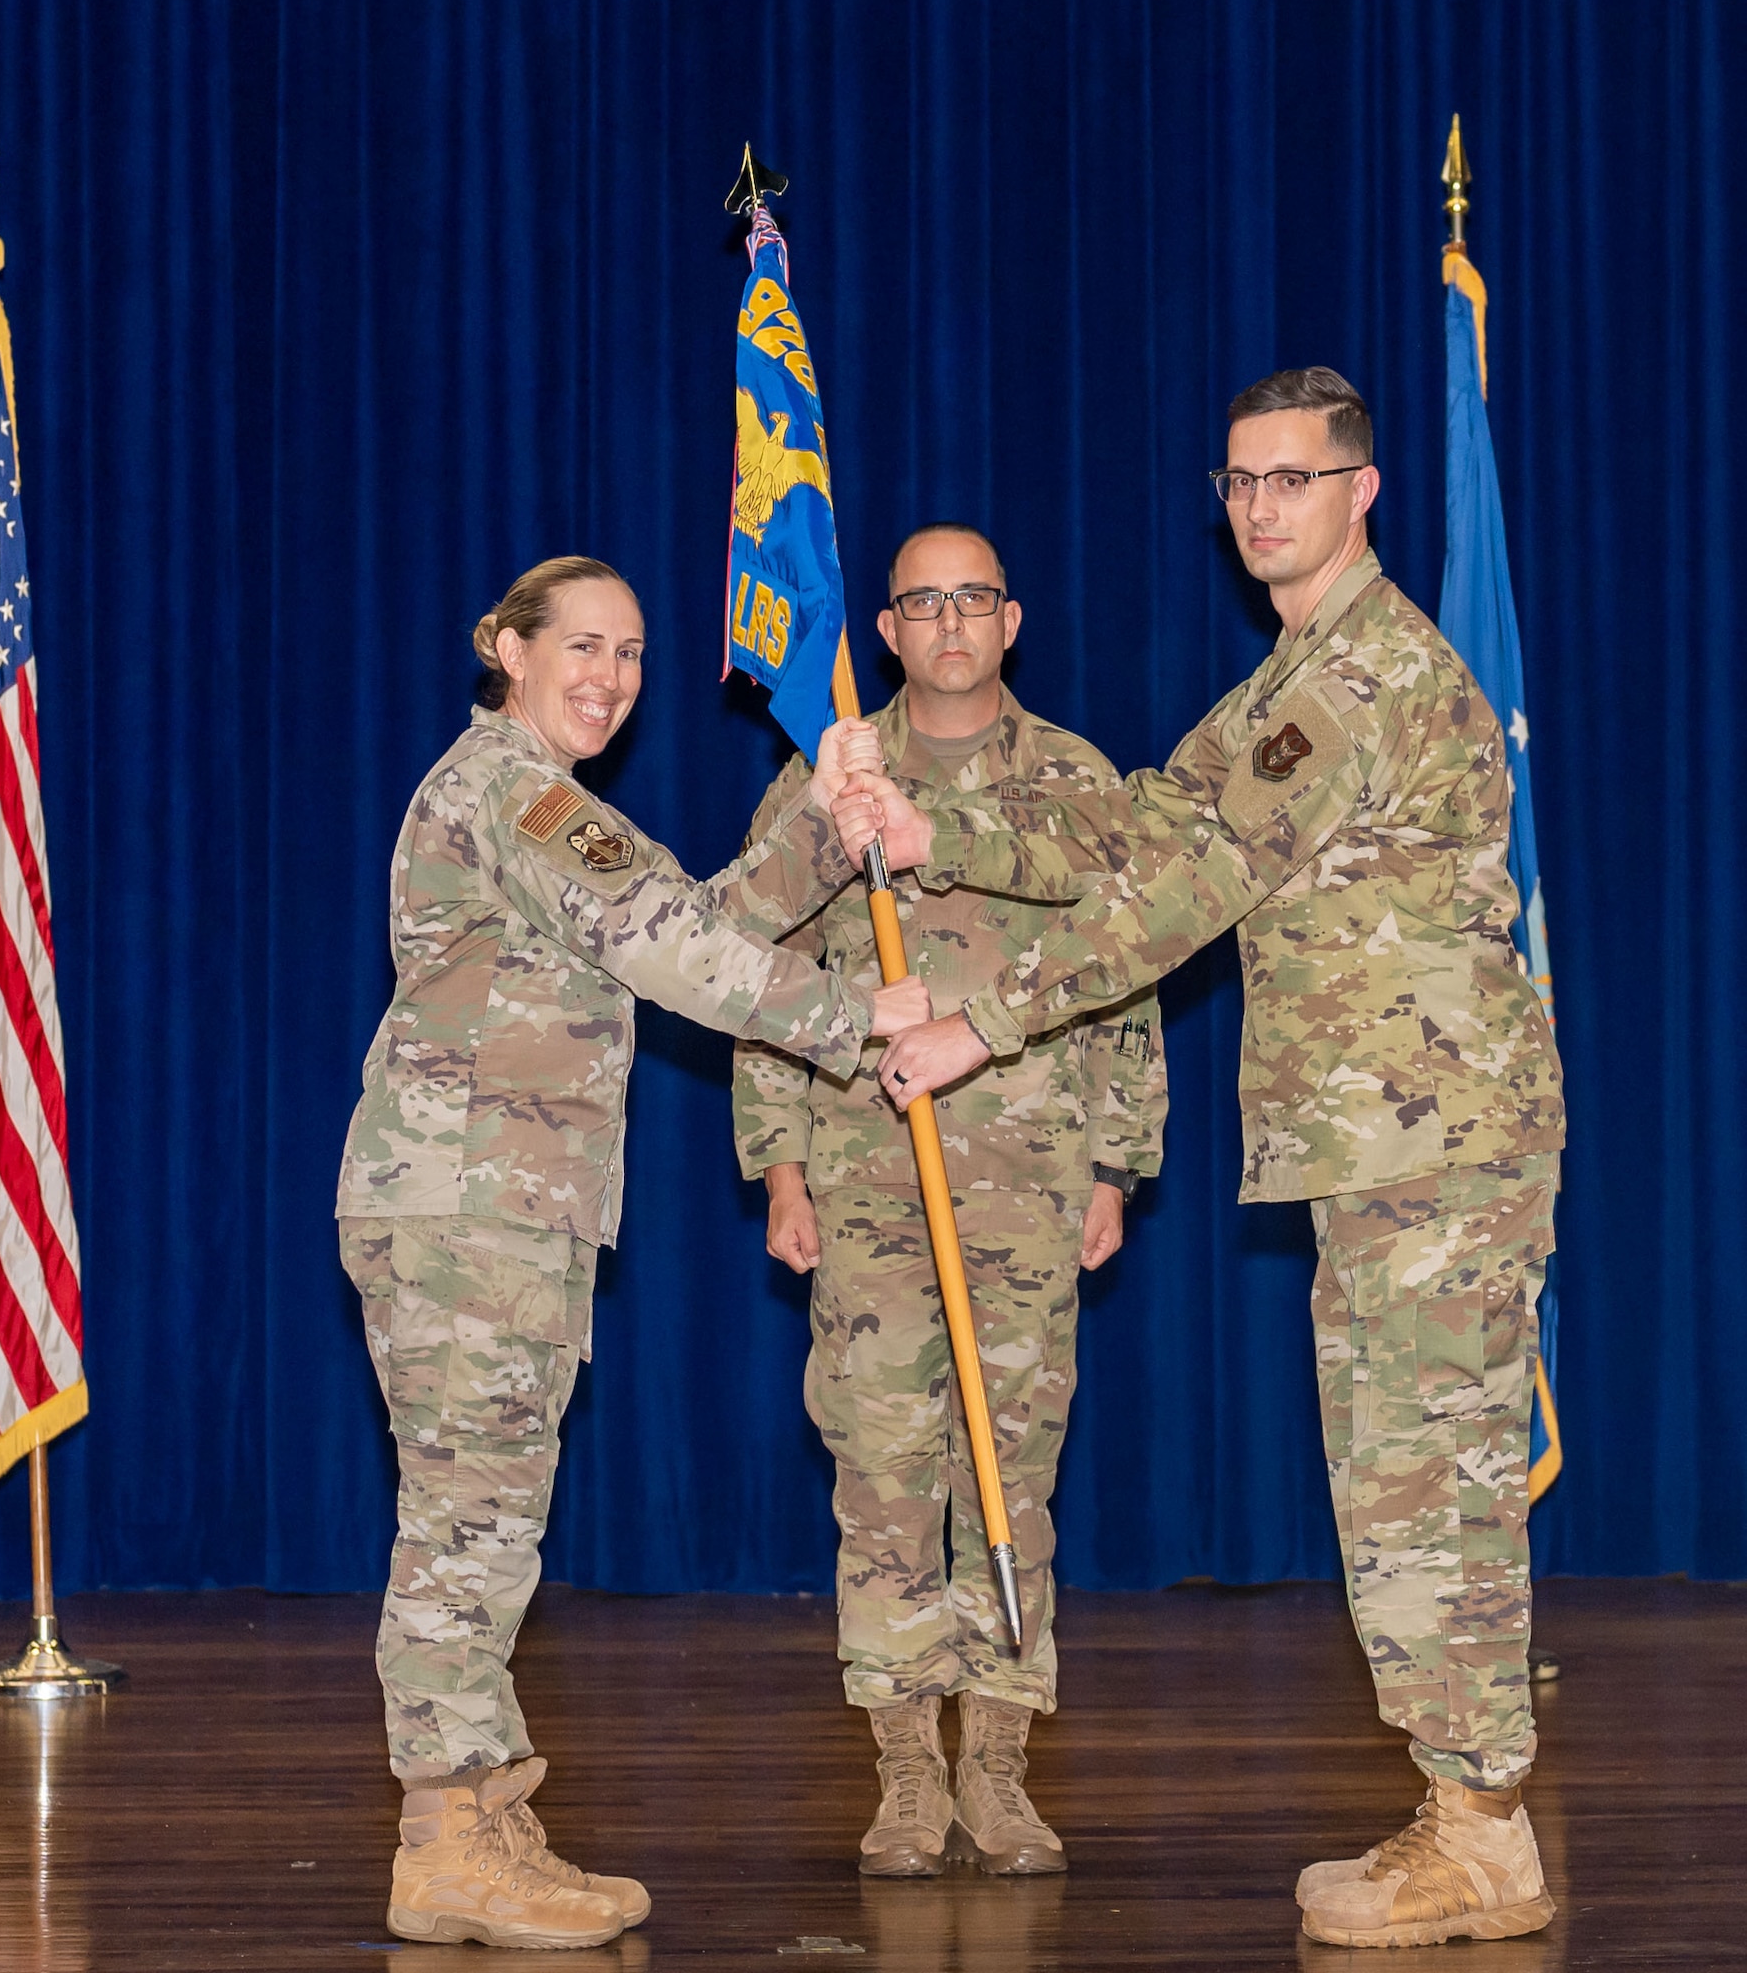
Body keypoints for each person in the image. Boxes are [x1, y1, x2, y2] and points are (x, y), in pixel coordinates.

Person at [862, 373, 1566, 1950]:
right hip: (1382, 1148)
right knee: (1392, 1487)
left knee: (1431, 1493)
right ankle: (1460, 1818)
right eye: (1239, 481)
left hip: (1434, 1151)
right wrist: (937, 838)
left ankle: (1486, 1836)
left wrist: (977, 1026)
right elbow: (1134, 830)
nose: (1259, 508)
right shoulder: (1282, 681)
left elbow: (1171, 905)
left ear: (1361, 492)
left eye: (1293, 480)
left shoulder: (1361, 680)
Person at [335, 555, 927, 1951]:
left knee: (485, 1526)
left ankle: (480, 1818)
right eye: (581, 648)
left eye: (632, 655)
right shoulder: (511, 792)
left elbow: (698, 918)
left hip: (500, 1209)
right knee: (466, 1534)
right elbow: (672, 948)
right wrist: (863, 1021)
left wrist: (824, 829)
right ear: (507, 649)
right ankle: (446, 1843)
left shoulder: (548, 806)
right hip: (466, 1213)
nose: (609, 678)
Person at [733, 524, 1167, 1879]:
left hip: (1031, 1183)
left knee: (1011, 1473)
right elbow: (756, 980)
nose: (950, 623)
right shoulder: (828, 786)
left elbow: (1125, 974)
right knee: (882, 1473)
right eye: (922, 604)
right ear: (884, 629)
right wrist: (781, 1168)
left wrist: (1114, 1164)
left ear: (1011, 619)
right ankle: (906, 1773)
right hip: (867, 1179)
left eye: (972, 599)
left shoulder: (1077, 780)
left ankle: (998, 1763)